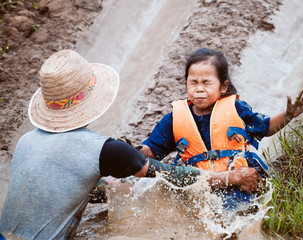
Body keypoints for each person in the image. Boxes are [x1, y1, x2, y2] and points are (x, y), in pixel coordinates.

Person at [0, 50, 262, 239]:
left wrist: (121, 188)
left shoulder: (26, 141)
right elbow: (174, 176)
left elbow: (64, 190)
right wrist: (231, 177)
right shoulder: (104, 149)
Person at [140, 48, 303, 208]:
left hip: (239, 183)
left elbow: (266, 127)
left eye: (206, 83)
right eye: (193, 83)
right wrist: (129, 149)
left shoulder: (236, 109)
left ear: (223, 87)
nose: (199, 89)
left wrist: (288, 115)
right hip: (197, 188)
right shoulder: (174, 119)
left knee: (233, 215)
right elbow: (151, 151)